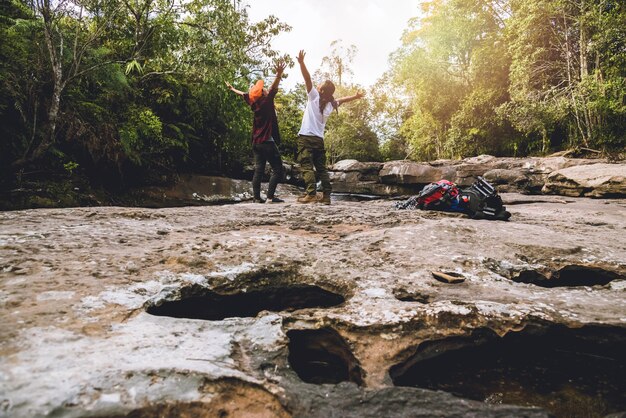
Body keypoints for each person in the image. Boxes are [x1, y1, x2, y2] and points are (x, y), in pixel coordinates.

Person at [295, 50, 364, 205]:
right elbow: (343, 100)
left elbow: (307, 79)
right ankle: (326, 196)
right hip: (319, 140)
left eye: (319, 85)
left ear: (321, 90)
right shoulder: (331, 105)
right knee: (321, 168)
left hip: (306, 137)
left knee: (306, 166)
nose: (317, 84)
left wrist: (301, 63)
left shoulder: (314, 96)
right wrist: (355, 96)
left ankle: (311, 194)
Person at [226, 61, 286, 203]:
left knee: (259, 170)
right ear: (262, 95)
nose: (264, 89)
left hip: (256, 143)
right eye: (262, 90)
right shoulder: (266, 103)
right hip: (266, 142)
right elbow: (273, 89)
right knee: (278, 169)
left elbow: (244, 95)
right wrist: (278, 74)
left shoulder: (254, 103)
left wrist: (232, 88)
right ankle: (270, 197)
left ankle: (257, 198)